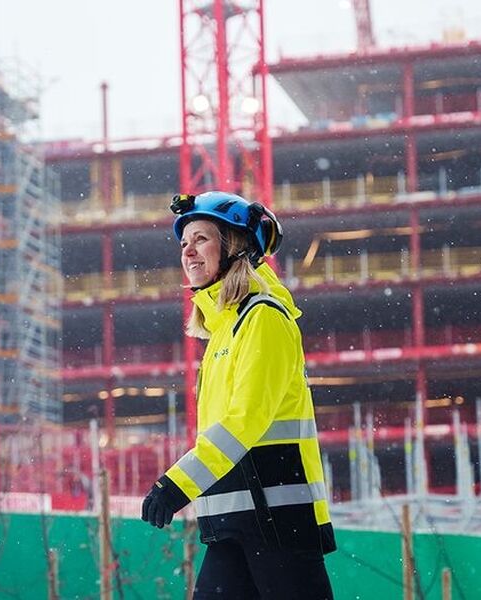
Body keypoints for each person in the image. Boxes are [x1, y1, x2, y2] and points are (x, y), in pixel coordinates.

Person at [141, 191, 336, 599]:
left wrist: (176, 485)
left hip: (277, 518)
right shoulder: (223, 334)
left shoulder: (263, 318)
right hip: (232, 520)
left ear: (234, 248)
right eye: (184, 243)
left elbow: (243, 422)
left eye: (201, 239)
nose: (188, 252)